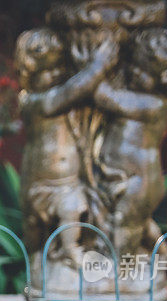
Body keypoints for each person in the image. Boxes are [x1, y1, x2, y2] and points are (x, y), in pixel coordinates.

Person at [16, 28, 117, 269]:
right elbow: (71, 91)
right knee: (34, 228)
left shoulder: (62, 97)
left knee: (74, 207)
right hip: (41, 181)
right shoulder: (34, 101)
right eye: (48, 73)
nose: (54, 77)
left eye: (57, 72)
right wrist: (98, 65)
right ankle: (40, 258)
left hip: (68, 182)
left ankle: (71, 249)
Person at [93, 27, 167, 255]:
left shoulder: (153, 105)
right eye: (131, 66)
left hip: (139, 183)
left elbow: (103, 96)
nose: (132, 72)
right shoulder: (147, 99)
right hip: (129, 178)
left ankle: (120, 273)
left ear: (163, 79)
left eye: (140, 70)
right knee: (136, 222)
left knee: (125, 227)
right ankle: (163, 255)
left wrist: (97, 65)